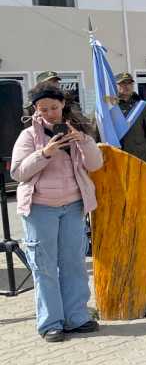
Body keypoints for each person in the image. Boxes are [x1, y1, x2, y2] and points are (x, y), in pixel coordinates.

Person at [10, 84, 104, 342]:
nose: (50, 113)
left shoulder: (78, 131)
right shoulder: (28, 136)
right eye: (43, 109)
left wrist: (84, 141)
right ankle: (51, 322)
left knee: (74, 264)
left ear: (63, 104)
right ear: (35, 110)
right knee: (45, 267)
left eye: (54, 107)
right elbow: (17, 173)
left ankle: (77, 317)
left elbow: (95, 165)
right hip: (40, 209)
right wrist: (45, 153)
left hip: (73, 206)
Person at [114, 72, 146, 165]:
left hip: (140, 159)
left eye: (129, 83)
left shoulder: (143, 107)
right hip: (117, 159)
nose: (127, 86)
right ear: (115, 86)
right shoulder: (110, 107)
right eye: (123, 83)